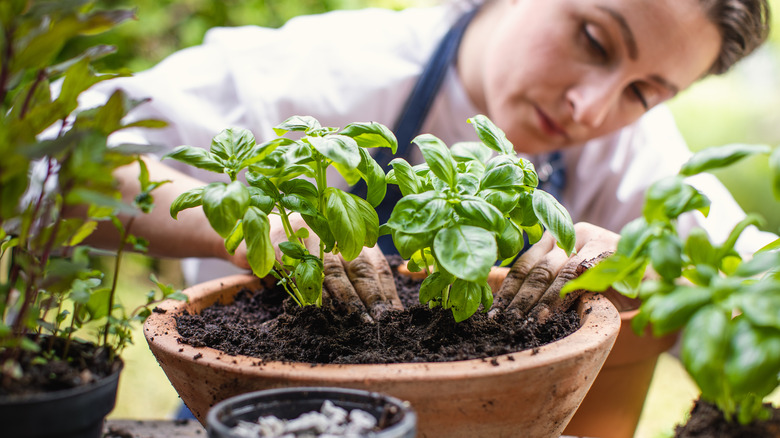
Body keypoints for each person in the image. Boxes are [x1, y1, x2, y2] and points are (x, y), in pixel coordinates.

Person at [80, 0, 774, 319]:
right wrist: (239, 227)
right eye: (593, 38)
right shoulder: (326, 76)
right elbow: (49, 158)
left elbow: (755, 283)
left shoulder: (629, 147)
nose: (590, 109)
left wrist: (648, 267)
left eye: (644, 91)